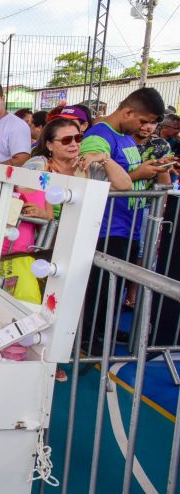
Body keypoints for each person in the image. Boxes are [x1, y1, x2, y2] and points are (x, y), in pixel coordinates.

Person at [79, 87, 166, 352]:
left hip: (129, 225)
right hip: (107, 226)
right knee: (101, 287)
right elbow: (93, 179)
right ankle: (88, 337)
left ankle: (104, 328)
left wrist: (150, 171)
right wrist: (140, 173)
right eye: (144, 121)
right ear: (128, 111)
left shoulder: (126, 137)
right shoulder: (99, 136)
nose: (147, 127)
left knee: (113, 290)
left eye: (152, 123)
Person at [27, 118, 131, 194]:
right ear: (49, 145)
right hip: (47, 223)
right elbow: (25, 194)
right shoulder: (38, 164)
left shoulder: (87, 165)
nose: (74, 144)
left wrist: (104, 158)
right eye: (66, 140)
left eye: (78, 138)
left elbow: (125, 186)